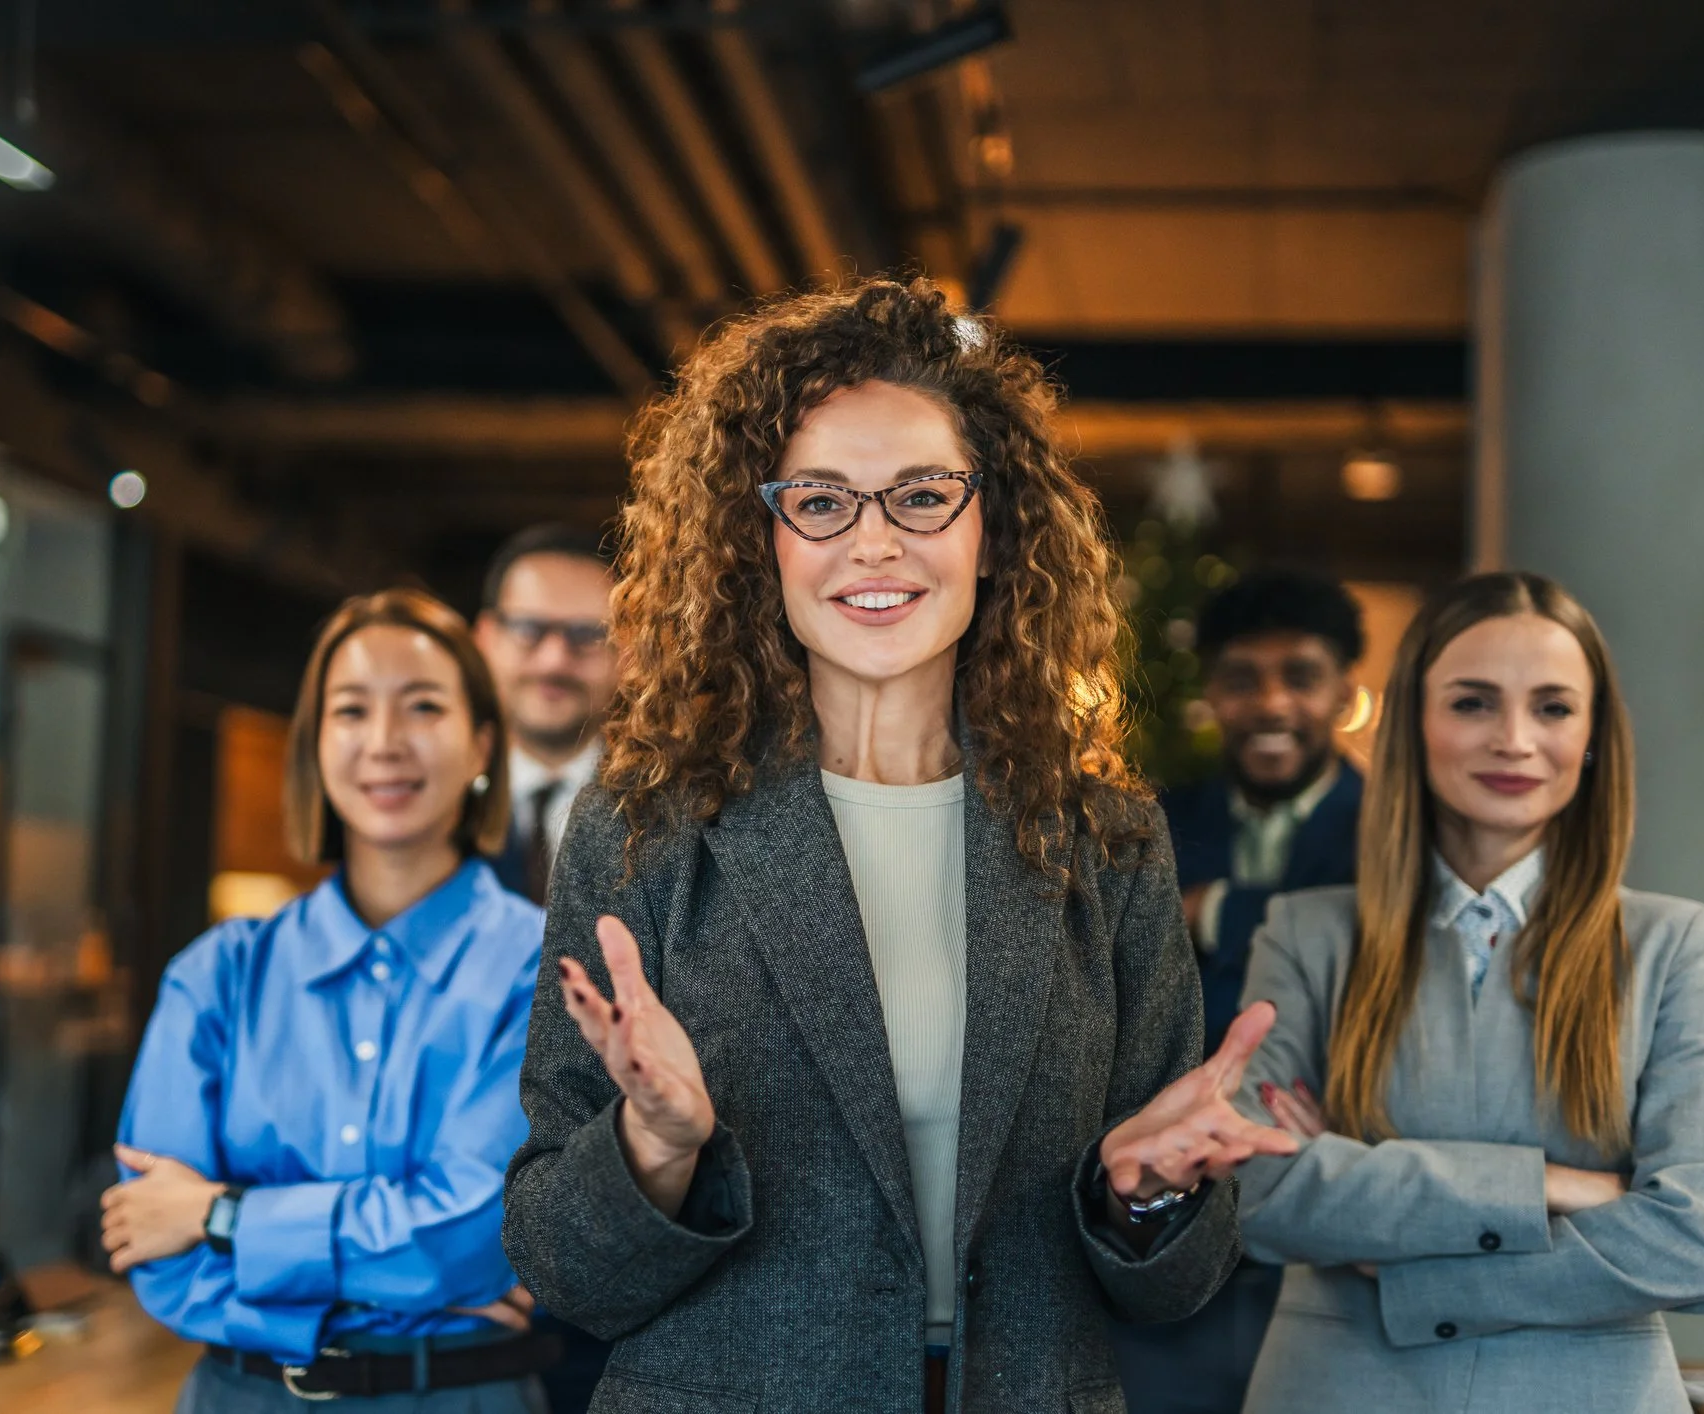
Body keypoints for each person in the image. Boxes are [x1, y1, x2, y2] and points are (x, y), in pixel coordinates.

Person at [501, 278, 1298, 1414]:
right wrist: (654, 1145)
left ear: (993, 524)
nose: (874, 542)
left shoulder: (1103, 837)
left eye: (922, 495)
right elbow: (558, 1259)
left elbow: (1174, 1282)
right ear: (757, 537)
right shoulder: (647, 824)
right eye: (820, 501)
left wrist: (1148, 1196)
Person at [1234, 570, 1704, 1414]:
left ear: (1590, 736)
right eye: (1472, 703)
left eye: (1552, 707)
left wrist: (1400, 1258)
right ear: (1413, 723)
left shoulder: (1676, 945)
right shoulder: (1307, 935)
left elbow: (1694, 1243)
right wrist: (1548, 1184)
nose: (1514, 739)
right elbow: (1256, 1196)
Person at [104, 587, 560, 1413]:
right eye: (350, 712)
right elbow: (158, 1256)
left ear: (482, 743)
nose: (384, 743)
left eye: (422, 707)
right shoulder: (214, 976)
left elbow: (474, 1238)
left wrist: (221, 1215)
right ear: (315, 744)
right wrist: (404, 1288)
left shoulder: (541, 970)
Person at [1107, 567, 1366, 1414]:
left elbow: (1379, 938)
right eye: (1241, 678)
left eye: (1299, 676)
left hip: (1328, 1219)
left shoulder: (1393, 827)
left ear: (1343, 690)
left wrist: (1211, 909)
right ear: (1211, 691)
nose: (1271, 704)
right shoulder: (1150, 821)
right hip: (1174, 1227)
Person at [474, 525, 620, 905]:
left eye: (588, 634)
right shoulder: (436, 800)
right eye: (528, 629)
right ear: (486, 639)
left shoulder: (670, 810)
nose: (554, 660)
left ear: (628, 651)